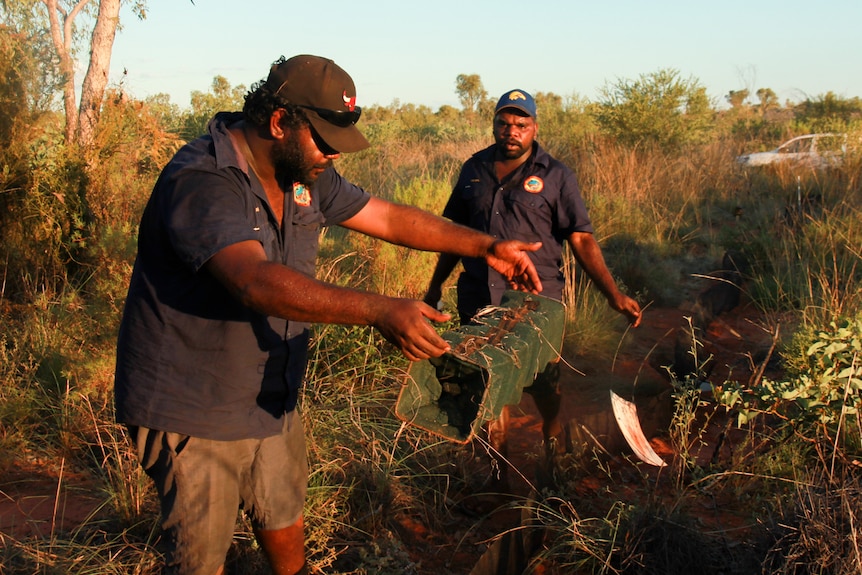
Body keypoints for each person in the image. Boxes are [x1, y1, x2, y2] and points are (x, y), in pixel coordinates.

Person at [114, 55, 543, 575]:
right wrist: (378, 309)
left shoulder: (305, 172)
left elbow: (385, 215)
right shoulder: (204, 179)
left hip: (271, 395)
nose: (332, 156)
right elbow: (254, 281)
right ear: (279, 122)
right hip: (196, 406)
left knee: (282, 517)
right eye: (324, 140)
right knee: (200, 557)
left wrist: (486, 245)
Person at [423, 89, 642, 480]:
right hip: (478, 297)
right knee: (487, 386)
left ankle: (553, 447)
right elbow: (452, 235)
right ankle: (500, 477)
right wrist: (435, 288)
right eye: (503, 124)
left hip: (535, 301)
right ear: (493, 125)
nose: (511, 132)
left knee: (544, 383)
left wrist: (613, 294)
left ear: (534, 128)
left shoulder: (557, 176)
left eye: (521, 125)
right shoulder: (473, 169)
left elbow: (581, 239)